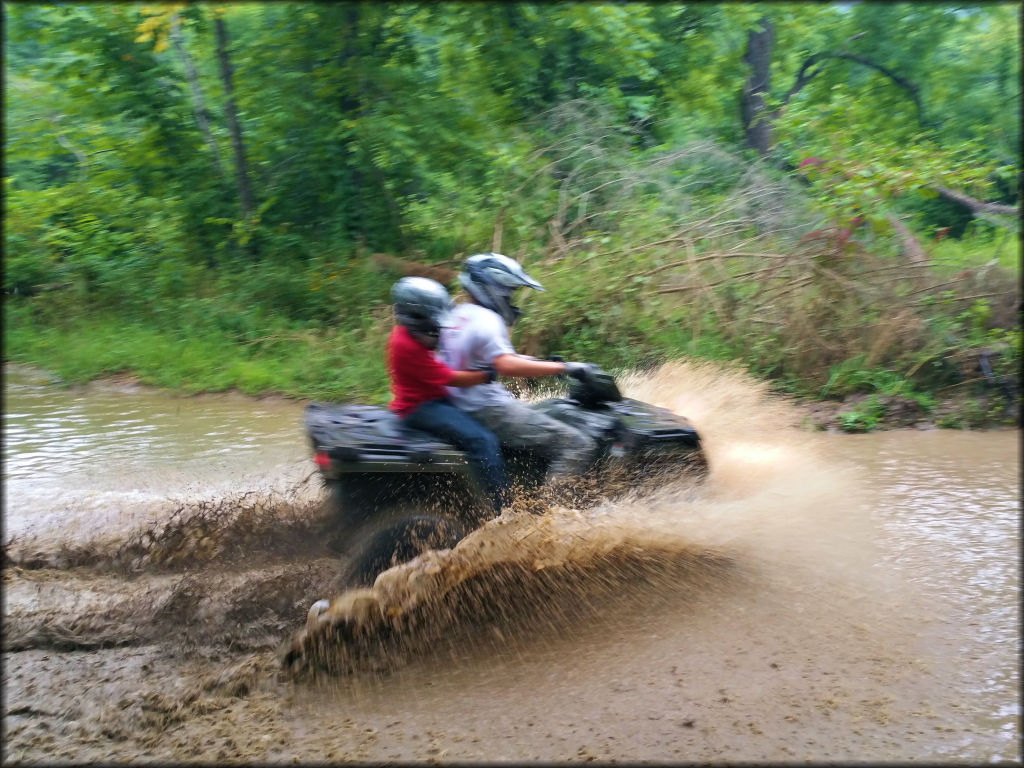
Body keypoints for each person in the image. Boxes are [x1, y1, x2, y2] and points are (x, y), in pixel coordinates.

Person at [438, 252, 598, 483]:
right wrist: (563, 368)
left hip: (459, 404)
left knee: (548, 413)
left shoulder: (457, 314)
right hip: (487, 409)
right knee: (577, 444)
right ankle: (556, 514)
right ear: (494, 288)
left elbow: (493, 356)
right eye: (510, 292)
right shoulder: (488, 320)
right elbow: (506, 364)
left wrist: (550, 364)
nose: (511, 299)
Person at [387, 276, 509, 513]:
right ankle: (502, 510)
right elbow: (451, 378)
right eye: (432, 320)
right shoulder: (407, 346)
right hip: (421, 408)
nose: (436, 326)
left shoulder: (405, 335)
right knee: (483, 441)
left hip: (428, 399)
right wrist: (487, 374)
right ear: (415, 317)